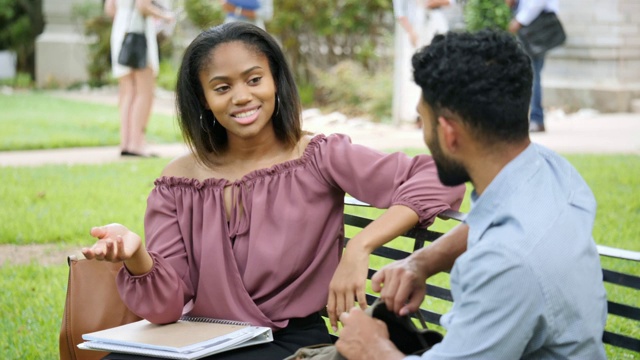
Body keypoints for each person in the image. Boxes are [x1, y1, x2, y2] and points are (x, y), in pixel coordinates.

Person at [81, 22, 465, 359]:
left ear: (275, 80)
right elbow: (165, 308)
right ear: (202, 98)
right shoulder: (178, 182)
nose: (242, 96)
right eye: (222, 87)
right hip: (201, 339)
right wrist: (137, 255)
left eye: (254, 79)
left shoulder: (318, 156)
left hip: (288, 341)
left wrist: (360, 245)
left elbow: (439, 176)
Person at [336, 30, 608, 359]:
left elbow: (511, 256)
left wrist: (370, 348)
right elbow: (494, 219)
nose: (422, 132)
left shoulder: (506, 265)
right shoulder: (549, 170)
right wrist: (422, 262)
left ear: (449, 133)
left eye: (423, 120)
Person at [105, 0, 174, 157]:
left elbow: (110, 9)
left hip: (120, 31)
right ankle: (136, 143)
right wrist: (166, 16)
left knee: (127, 91)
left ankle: (126, 142)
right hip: (139, 33)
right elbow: (143, 6)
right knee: (145, 91)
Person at [392, 0, 454, 128]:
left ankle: (436, 112)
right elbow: (400, 11)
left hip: (435, 25)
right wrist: (410, 31)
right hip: (414, 29)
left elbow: (449, 2)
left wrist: (427, 3)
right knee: (412, 72)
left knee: (437, 69)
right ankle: (416, 115)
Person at [506, 0, 559, 133]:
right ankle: (527, 119)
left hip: (534, 26)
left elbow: (536, 3)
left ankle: (536, 119)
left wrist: (518, 22)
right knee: (526, 74)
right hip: (526, 25)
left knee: (532, 74)